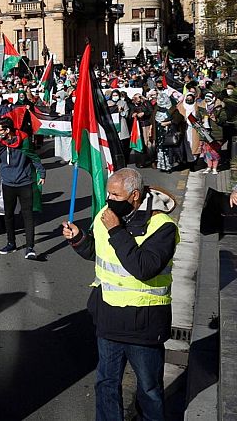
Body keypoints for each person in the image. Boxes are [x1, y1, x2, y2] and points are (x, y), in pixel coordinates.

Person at [62, 168, 178, 421]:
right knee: (106, 383)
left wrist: (117, 231)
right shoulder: (106, 216)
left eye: (115, 194)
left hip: (143, 324)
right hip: (108, 319)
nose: (109, 199)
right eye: (108, 193)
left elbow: (144, 268)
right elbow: (99, 253)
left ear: (134, 195)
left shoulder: (162, 226)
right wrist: (79, 239)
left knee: (148, 390)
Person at [0, 118, 45, 259]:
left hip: (24, 183)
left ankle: (30, 247)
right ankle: (11, 243)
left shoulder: (24, 140)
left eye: (0, 130)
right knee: (8, 215)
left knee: (27, 216)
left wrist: (42, 173)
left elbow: (33, 157)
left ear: (8, 130)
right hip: (8, 184)